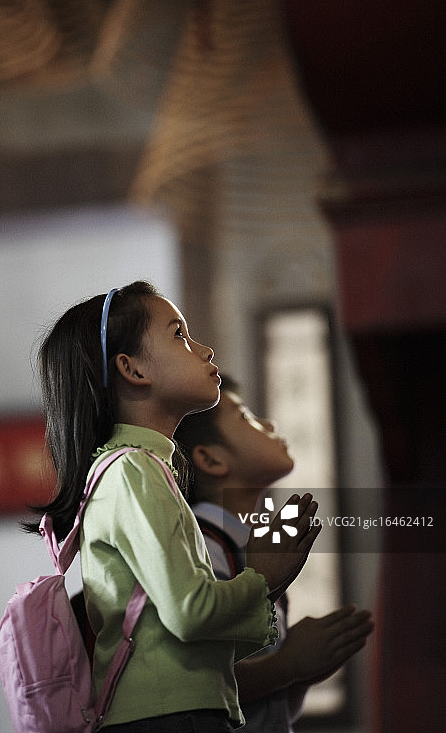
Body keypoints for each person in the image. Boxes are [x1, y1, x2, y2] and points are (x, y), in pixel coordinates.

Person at [26, 281, 322, 732]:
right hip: (167, 717)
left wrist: (268, 595)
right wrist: (264, 579)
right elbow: (190, 612)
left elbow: (188, 637)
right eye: (179, 334)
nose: (204, 350)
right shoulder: (132, 472)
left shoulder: (144, 469)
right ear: (133, 369)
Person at [175, 375, 375, 733]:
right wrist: (288, 666)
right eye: (246, 417)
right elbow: (193, 683)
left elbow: (268, 711)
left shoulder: (250, 546)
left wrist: (302, 673)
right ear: (211, 458)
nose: (269, 424)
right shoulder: (202, 548)